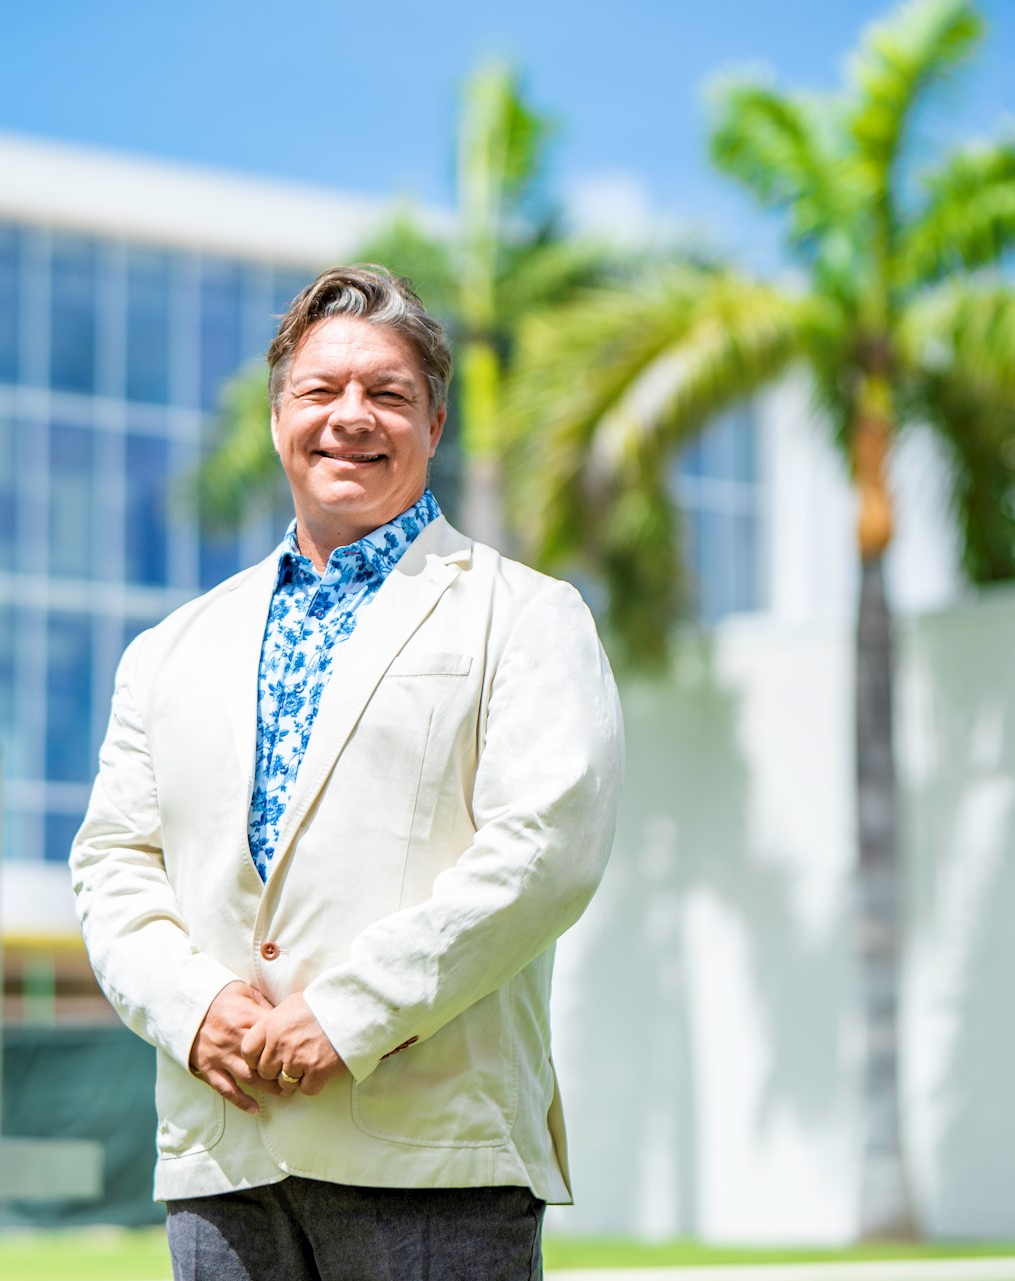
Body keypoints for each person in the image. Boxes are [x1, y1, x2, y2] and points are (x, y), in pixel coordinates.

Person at [69, 264, 624, 1280]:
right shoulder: (168, 649)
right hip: (222, 1161)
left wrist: (353, 1012)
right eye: (321, 391)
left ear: (436, 423)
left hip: (431, 1156)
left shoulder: (527, 615)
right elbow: (113, 867)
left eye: (389, 394)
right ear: (280, 414)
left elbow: (547, 846)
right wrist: (193, 1010)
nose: (351, 418)